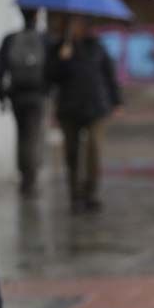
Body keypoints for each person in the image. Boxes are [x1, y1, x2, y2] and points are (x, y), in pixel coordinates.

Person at [47, 15, 122, 213]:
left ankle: (91, 193)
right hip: (69, 108)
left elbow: (109, 73)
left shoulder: (96, 46)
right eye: (72, 24)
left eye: (79, 24)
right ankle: (75, 195)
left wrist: (116, 100)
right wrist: (61, 59)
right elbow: (49, 77)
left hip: (96, 107)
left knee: (93, 150)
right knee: (72, 153)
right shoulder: (59, 48)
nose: (76, 28)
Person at [0, 7, 50, 198]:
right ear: (36, 16)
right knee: (33, 137)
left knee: (22, 134)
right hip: (37, 95)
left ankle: (25, 176)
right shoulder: (43, 39)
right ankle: (30, 180)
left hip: (17, 94)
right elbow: (54, 67)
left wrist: (2, 89)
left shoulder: (11, 39)